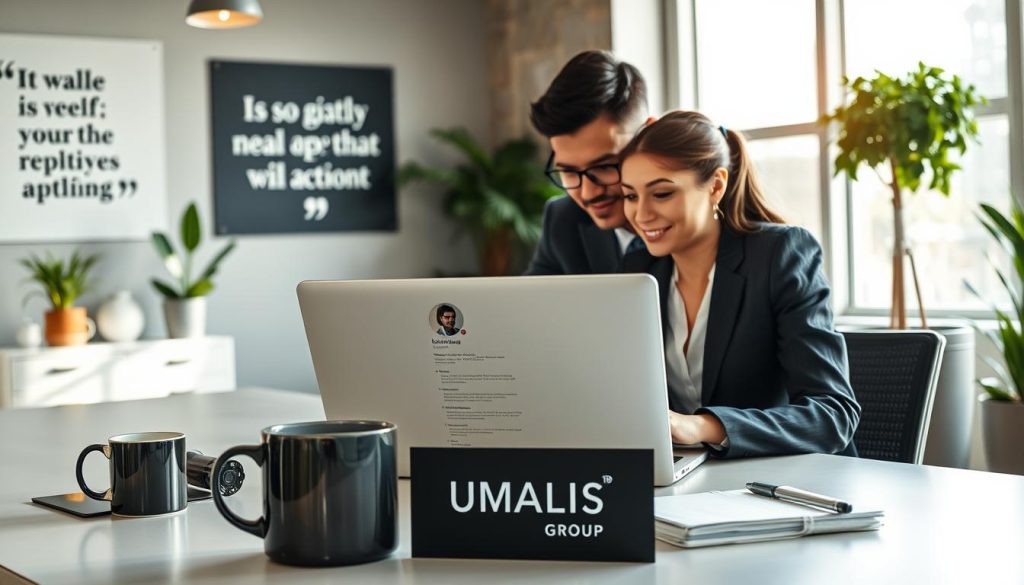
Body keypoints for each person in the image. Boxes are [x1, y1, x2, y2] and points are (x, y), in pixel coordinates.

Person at [618, 110, 860, 458]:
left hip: (790, 481)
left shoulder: (780, 255)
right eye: (630, 196)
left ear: (715, 186)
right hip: (688, 480)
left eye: (662, 194)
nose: (641, 214)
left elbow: (833, 415)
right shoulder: (640, 267)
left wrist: (701, 427)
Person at [525, 50, 654, 275]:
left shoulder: (707, 218)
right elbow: (528, 305)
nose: (588, 193)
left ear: (650, 135)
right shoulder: (562, 221)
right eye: (569, 171)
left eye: (604, 167)